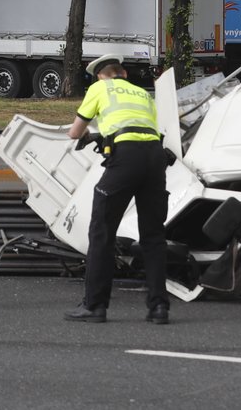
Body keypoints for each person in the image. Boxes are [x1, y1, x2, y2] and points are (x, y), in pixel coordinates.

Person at [63, 54, 171, 325]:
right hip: (155, 157)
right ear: (123, 73)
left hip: (125, 159)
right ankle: (159, 307)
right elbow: (138, 126)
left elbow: (75, 132)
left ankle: (94, 306)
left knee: (102, 232)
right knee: (153, 236)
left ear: (100, 75)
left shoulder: (99, 88)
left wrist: (90, 135)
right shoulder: (143, 94)